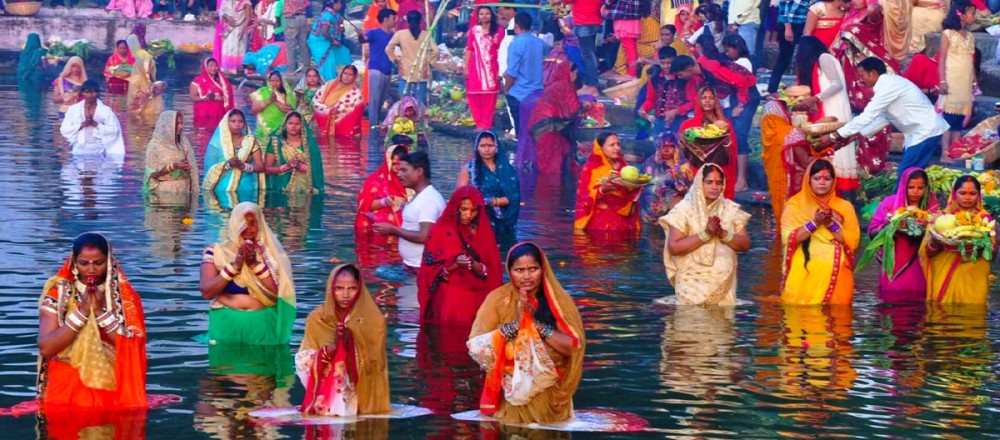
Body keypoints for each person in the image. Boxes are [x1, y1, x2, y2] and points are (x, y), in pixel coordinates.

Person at [467, 242, 585, 424]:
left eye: (533, 269)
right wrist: (517, 325)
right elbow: (476, 346)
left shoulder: (559, 301)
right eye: (519, 270)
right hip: (510, 393)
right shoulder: (497, 299)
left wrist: (534, 324)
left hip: (552, 395)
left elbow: (574, 348)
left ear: (542, 268)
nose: (527, 276)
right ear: (509, 271)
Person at [37, 233, 147, 409]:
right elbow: (46, 347)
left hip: (110, 384)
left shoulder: (126, 297)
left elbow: (133, 345)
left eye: (98, 263)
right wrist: (82, 313)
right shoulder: (58, 294)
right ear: (74, 262)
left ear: (109, 261)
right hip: (65, 386)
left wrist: (100, 313)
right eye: (84, 263)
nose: (91, 269)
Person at [816, 58, 949, 174]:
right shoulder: (887, 84)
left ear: (873, 73)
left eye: (862, 76)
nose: (860, 80)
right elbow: (883, 118)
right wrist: (851, 137)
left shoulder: (887, 85)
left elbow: (867, 116)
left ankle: (899, 203)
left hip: (926, 131)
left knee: (906, 175)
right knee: (909, 175)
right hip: (922, 132)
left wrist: (835, 135)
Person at [296, 264, 390, 416]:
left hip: (365, 397)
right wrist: (332, 349)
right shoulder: (318, 318)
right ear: (330, 290)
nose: (345, 294)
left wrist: (351, 345)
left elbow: (376, 366)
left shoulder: (373, 320)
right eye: (339, 288)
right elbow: (303, 361)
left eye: (352, 288)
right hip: (328, 401)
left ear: (360, 290)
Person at [200, 202, 296, 345]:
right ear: (234, 223)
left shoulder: (272, 254)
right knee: (225, 366)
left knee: (263, 366)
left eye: (253, 222)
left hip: (263, 324)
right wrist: (235, 266)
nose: (249, 228)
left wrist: (254, 265)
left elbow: (280, 294)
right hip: (226, 323)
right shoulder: (216, 252)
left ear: (260, 224)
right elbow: (207, 292)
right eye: (244, 222)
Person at [660, 163, 751, 305]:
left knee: (721, 325)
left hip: (724, 286)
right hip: (691, 286)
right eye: (709, 182)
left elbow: (745, 245)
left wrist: (722, 233)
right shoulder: (683, 210)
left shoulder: (731, 210)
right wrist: (706, 234)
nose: (714, 187)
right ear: (699, 184)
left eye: (718, 183)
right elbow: (674, 248)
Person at [417, 186, 504, 325]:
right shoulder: (441, 230)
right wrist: (455, 265)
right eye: (464, 209)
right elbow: (429, 271)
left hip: (478, 298)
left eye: (473, 210)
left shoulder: (484, 233)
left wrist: (475, 266)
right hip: (449, 298)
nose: (468, 215)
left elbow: (493, 271)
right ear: (455, 207)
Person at [780, 159, 860, 305]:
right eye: (817, 178)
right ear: (808, 180)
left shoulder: (845, 207)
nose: (822, 183)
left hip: (837, 268)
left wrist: (830, 224)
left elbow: (852, 241)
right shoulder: (795, 205)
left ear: (834, 181)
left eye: (827, 179)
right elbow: (789, 239)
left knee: (837, 319)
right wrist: (814, 223)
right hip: (805, 266)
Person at [693, 34, 758, 193]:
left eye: (729, 49)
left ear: (737, 48)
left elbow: (742, 84)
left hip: (745, 101)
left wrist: (741, 105)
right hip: (734, 103)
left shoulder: (743, 62)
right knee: (731, 137)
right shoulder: (729, 63)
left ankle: (742, 180)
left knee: (740, 137)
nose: (727, 53)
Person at [794, 36, 857, 191]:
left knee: (833, 145)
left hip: (833, 107)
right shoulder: (816, 62)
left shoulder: (825, 58)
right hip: (825, 106)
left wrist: (815, 98)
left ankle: (836, 185)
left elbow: (837, 84)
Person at [868, 167, 939, 303]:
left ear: (926, 188)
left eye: (920, 188)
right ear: (903, 186)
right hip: (893, 260)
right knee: (890, 299)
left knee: (917, 301)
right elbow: (872, 233)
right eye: (911, 187)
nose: (915, 192)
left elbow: (937, 232)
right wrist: (887, 227)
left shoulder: (931, 207)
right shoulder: (889, 204)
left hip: (918, 261)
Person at [923, 176, 997, 304]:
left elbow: (993, 254)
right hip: (944, 274)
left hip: (974, 277)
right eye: (962, 193)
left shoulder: (985, 220)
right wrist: (937, 241)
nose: (967, 198)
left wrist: (978, 246)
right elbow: (928, 252)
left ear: (979, 195)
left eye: (972, 193)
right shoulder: (941, 218)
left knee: (973, 315)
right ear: (954, 193)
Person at [373, 151, 446, 272]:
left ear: (419, 172)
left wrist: (392, 230)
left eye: (404, 170)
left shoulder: (429, 199)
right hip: (411, 267)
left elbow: (424, 236)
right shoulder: (418, 196)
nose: (399, 174)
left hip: (422, 269)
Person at [457, 131, 521, 239]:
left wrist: (493, 201)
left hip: (504, 219)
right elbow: (459, 197)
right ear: (477, 147)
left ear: (496, 147)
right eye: (482, 146)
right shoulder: (469, 169)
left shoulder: (507, 169)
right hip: (477, 220)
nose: (486, 149)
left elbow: (514, 197)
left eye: (490, 145)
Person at [574, 132, 642, 233]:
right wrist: (602, 190)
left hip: (626, 220)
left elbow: (631, 190)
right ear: (600, 148)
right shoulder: (590, 168)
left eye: (618, 144)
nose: (617, 148)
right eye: (612, 145)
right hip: (601, 224)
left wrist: (637, 187)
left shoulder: (624, 165)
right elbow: (584, 196)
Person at [678, 86, 738, 199]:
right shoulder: (688, 125)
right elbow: (681, 150)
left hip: (719, 169)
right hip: (696, 170)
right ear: (698, 100)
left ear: (716, 101)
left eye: (711, 98)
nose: (707, 101)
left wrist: (725, 133)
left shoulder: (725, 124)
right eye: (704, 97)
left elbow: (732, 150)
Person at [527, 57, 582, 174]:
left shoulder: (555, 84)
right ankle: (551, 189)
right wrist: (587, 106)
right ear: (568, 72)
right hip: (547, 127)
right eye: (574, 73)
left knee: (560, 152)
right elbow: (573, 108)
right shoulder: (566, 86)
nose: (575, 77)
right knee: (551, 166)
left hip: (540, 126)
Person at [505, 12, 546, 169]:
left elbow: (512, 73)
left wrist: (506, 89)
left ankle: (524, 163)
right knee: (535, 132)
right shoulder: (539, 43)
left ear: (516, 26)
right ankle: (535, 161)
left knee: (522, 133)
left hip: (519, 95)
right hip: (537, 95)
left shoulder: (515, 44)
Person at [937, 2, 978, 158]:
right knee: (948, 119)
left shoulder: (970, 36)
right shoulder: (948, 34)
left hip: (965, 83)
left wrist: (974, 81)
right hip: (951, 81)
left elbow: (970, 61)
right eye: (972, 13)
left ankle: (955, 152)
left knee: (959, 121)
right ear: (961, 14)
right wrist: (942, 81)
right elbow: (942, 60)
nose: (974, 16)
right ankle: (944, 153)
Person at [202, 109, 266, 201]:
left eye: (240, 121)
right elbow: (210, 169)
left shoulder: (251, 141)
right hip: (222, 189)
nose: (237, 124)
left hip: (245, 189)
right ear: (226, 123)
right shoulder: (216, 143)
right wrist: (227, 165)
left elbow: (260, 166)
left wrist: (243, 166)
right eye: (233, 121)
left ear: (244, 124)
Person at [355, 144, 410, 246]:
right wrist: (384, 202)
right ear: (388, 162)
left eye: (401, 164)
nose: (398, 168)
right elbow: (363, 205)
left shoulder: (411, 179)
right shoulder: (375, 180)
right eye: (394, 164)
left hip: (406, 235)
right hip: (377, 234)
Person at [60, 80, 125, 158]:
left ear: (98, 93)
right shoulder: (73, 109)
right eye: (87, 92)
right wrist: (82, 125)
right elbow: (64, 129)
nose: (90, 95)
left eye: (93, 92)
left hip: (99, 151)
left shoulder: (105, 110)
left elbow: (114, 130)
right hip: (78, 151)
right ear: (82, 93)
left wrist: (96, 124)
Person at [386, 11, 440, 104]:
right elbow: (436, 51)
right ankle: (418, 118)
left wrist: (397, 62)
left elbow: (388, 49)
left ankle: (404, 118)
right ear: (421, 21)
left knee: (405, 103)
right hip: (421, 73)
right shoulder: (426, 35)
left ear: (407, 21)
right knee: (419, 103)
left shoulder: (400, 34)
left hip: (405, 71)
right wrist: (428, 63)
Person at [264, 112, 324, 194]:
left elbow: (318, 170)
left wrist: (306, 168)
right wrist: (286, 167)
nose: (293, 126)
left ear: (302, 126)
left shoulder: (310, 145)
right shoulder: (275, 143)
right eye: (290, 123)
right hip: (281, 190)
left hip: (306, 190)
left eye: (297, 124)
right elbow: (266, 169)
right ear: (285, 125)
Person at [465, 6, 504, 131]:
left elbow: (501, 52)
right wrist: (465, 67)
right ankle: (478, 124)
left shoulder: (499, 31)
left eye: (487, 13)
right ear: (478, 16)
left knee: (489, 98)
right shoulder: (473, 30)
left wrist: (500, 69)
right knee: (473, 95)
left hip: (492, 69)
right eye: (481, 14)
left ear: (491, 15)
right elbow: (469, 50)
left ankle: (486, 125)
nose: (484, 16)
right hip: (475, 68)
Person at [641, 131, 693, 223]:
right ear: (658, 147)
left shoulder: (683, 165)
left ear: (676, 147)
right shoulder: (649, 163)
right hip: (651, 212)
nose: (666, 150)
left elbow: (690, 189)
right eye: (663, 146)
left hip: (675, 213)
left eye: (670, 146)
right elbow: (641, 182)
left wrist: (674, 184)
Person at [144, 110, 199, 196]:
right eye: (177, 124)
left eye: (181, 123)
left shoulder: (183, 143)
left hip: (184, 192)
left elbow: (193, 169)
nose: (181, 127)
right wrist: (172, 166)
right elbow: (150, 174)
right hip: (163, 193)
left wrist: (187, 168)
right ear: (167, 125)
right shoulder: (155, 145)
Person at [767, 0, 808, 94]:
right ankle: (772, 90)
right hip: (789, 25)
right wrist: (788, 29)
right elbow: (783, 9)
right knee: (784, 59)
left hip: (803, 24)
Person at [312, 64, 364, 138]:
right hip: (324, 123)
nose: (347, 76)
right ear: (341, 74)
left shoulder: (356, 93)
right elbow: (316, 101)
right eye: (345, 73)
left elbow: (354, 110)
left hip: (344, 130)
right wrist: (328, 110)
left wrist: (336, 111)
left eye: (350, 74)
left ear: (354, 77)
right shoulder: (329, 85)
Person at [367, 8, 397, 127]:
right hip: (376, 69)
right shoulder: (373, 32)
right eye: (393, 18)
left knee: (381, 98)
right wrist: (360, 35)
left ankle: (376, 121)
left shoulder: (393, 35)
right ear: (385, 19)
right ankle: (373, 124)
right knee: (374, 100)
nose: (395, 21)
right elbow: (363, 39)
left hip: (387, 70)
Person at [309, 0, 352, 81]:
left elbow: (340, 23)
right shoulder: (327, 15)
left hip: (328, 41)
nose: (341, 5)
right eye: (339, 3)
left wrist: (341, 28)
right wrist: (333, 41)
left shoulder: (335, 14)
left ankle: (343, 78)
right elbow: (324, 33)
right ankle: (328, 83)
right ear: (333, 4)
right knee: (327, 64)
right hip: (319, 42)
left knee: (344, 53)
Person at [606, 0, 650, 76]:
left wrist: (608, 3)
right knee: (629, 45)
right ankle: (632, 71)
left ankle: (632, 72)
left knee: (629, 46)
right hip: (632, 14)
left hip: (624, 15)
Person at [251, 71, 297, 139]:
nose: (274, 83)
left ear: (281, 82)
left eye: (277, 81)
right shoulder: (261, 92)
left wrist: (275, 101)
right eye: (272, 81)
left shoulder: (286, 94)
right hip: (264, 129)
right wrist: (269, 101)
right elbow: (254, 110)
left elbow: (291, 112)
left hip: (280, 129)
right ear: (268, 81)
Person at [191, 58, 236, 128]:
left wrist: (216, 97)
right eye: (211, 66)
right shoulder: (198, 80)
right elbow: (193, 97)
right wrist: (205, 98)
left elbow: (228, 98)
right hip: (202, 113)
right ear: (205, 67)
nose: (214, 68)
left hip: (219, 114)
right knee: (202, 135)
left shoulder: (223, 82)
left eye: (216, 66)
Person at [125, 35, 162, 115]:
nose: (148, 71)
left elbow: (161, 86)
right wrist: (145, 94)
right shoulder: (136, 79)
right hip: (139, 112)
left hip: (152, 111)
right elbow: (134, 93)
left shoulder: (152, 77)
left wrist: (157, 88)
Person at [216, 0, 252, 74]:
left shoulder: (245, 2)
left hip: (239, 29)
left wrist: (243, 30)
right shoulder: (227, 1)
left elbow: (248, 18)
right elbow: (222, 12)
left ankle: (236, 69)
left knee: (238, 49)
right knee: (227, 48)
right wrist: (227, 17)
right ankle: (226, 68)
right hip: (228, 29)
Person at [282, 0, 311, 76]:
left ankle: (291, 70)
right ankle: (307, 67)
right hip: (302, 18)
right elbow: (307, 3)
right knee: (303, 45)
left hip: (292, 19)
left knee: (290, 46)